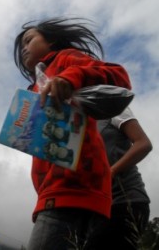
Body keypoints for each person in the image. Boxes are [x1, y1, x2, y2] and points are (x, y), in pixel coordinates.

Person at [13, 17, 132, 249]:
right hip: (53, 191)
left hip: (71, 188)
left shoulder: (66, 59)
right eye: (21, 47)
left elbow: (119, 76)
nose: (24, 49)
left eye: (29, 40)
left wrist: (70, 78)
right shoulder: (35, 88)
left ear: (51, 41)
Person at [96, 107, 152, 249]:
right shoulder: (79, 119)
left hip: (126, 201)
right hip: (98, 207)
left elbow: (143, 144)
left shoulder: (114, 108)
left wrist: (112, 170)